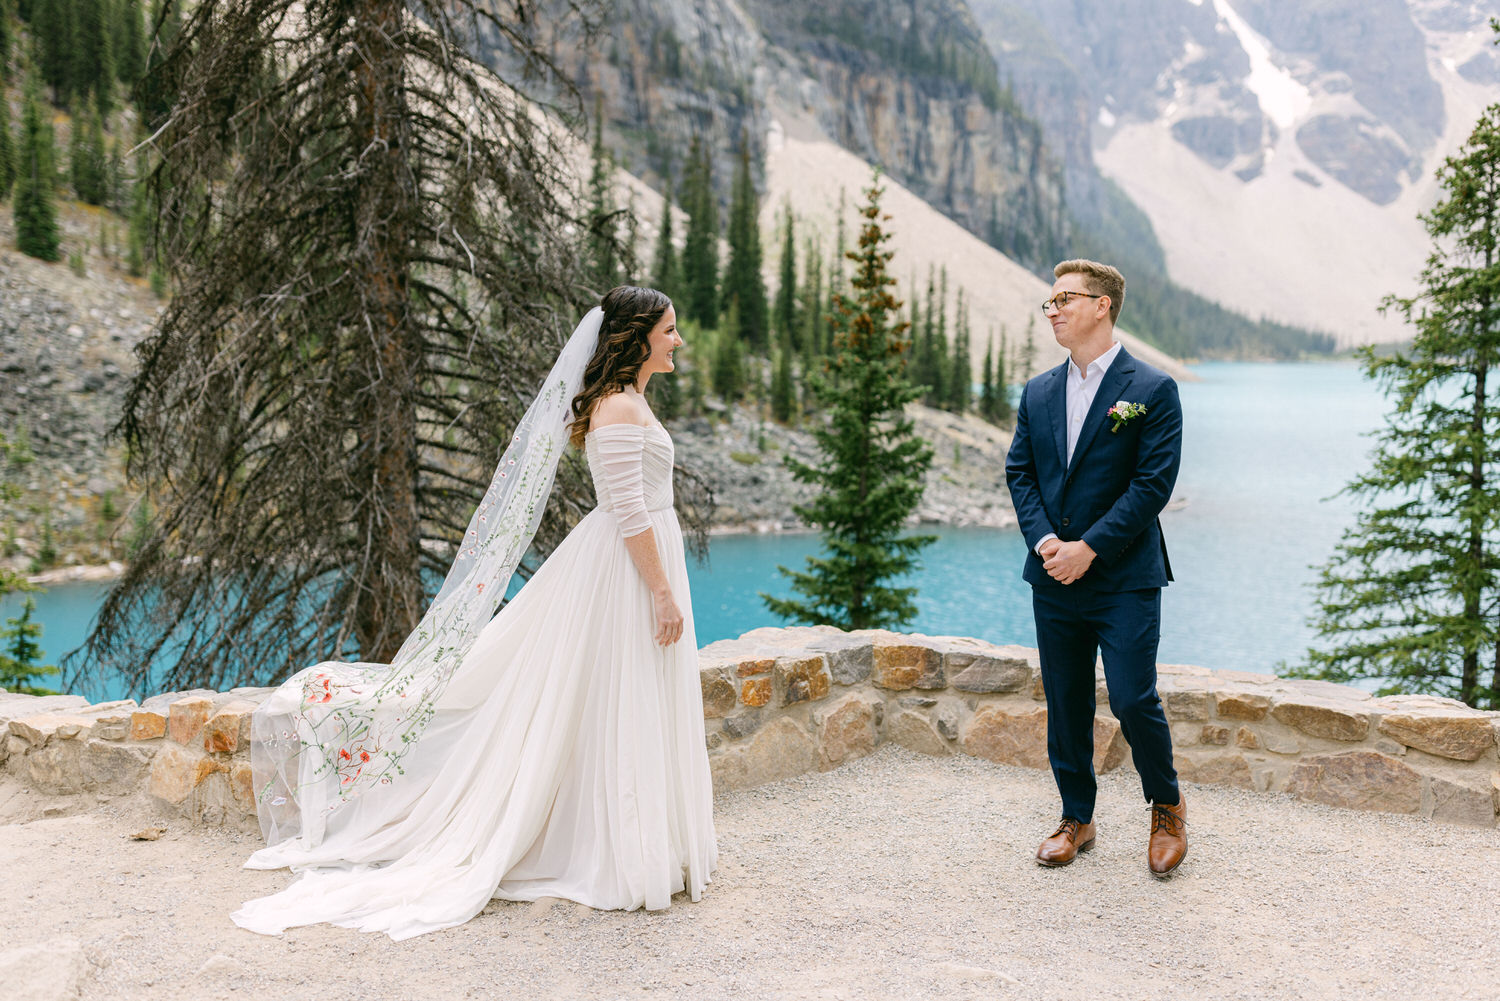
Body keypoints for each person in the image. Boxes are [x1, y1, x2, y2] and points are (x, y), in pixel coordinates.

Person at [231, 286, 717, 940]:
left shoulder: (628, 401)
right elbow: (629, 511)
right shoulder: (620, 408)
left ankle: (642, 843)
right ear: (637, 338)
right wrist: (660, 591)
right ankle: (620, 851)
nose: (677, 340)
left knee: (626, 699)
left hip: (632, 565)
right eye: (669, 329)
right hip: (628, 573)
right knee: (617, 696)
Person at [1004, 259, 1187, 877]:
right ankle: (1076, 816)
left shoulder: (1152, 389)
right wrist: (1047, 542)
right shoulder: (1037, 390)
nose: (1052, 310)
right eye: (1049, 302)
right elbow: (1020, 473)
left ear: (1102, 305)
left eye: (1064, 299)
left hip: (1125, 575)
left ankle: (1167, 807)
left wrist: (1091, 548)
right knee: (1066, 697)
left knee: (1134, 697)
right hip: (1053, 574)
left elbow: (1152, 485)